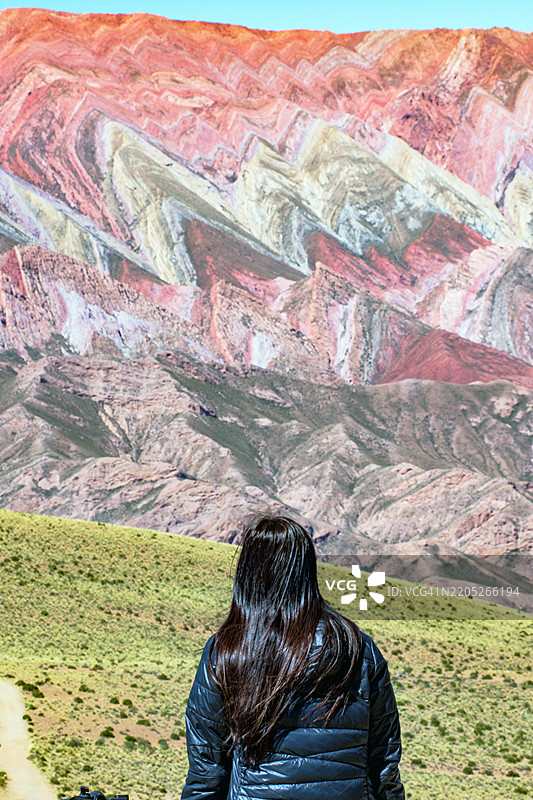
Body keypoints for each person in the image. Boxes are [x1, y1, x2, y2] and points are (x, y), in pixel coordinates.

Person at [181, 514, 405, 800]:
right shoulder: (358, 649)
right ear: (306, 570)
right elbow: (384, 763)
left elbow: (206, 771)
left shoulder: (228, 651)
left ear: (248, 573)